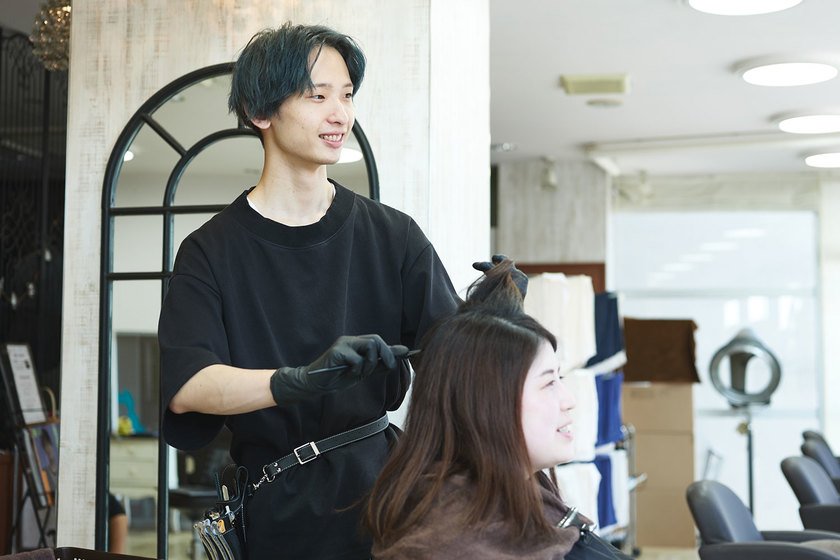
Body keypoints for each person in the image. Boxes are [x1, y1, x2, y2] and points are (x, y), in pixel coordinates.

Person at [157, 22, 461, 559]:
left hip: (386, 497)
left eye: (347, 95)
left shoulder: (393, 236)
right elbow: (190, 385)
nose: (340, 114)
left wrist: (497, 314)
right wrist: (296, 382)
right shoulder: (209, 251)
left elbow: (458, 355)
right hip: (278, 506)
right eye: (317, 96)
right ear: (261, 112)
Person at [365, 259, 590, 559]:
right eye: (549, 383)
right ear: (488, 401)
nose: (568, 400)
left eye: (560, 379)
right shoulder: (452, 545)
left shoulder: (512, 492)